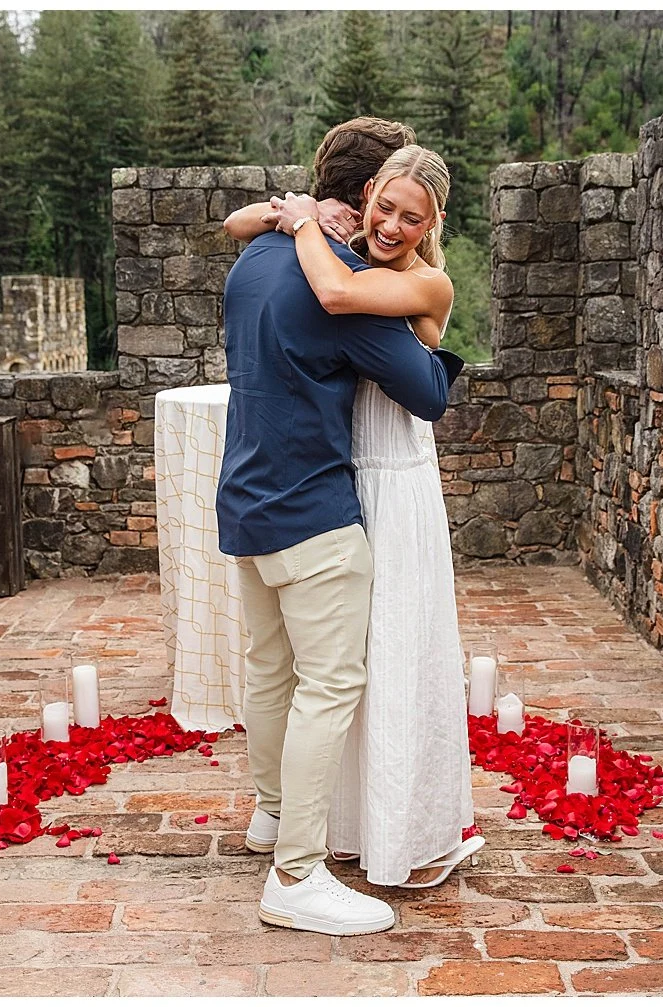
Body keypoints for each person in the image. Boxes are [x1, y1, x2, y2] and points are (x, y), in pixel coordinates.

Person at [215, 118, 466, 937]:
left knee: (270, 669)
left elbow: (243, 226)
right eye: (385, 204)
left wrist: (281, 216)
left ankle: (271, 814)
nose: (390, 222)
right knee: (329, 687)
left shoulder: (256, 257)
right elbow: (426, 392)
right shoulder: (349, 288)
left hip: (245, 499)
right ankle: (296, 873)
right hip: (313, 512)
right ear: (367, 195)